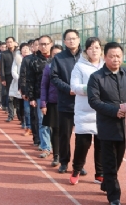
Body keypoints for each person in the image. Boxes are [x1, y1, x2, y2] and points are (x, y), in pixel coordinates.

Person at [87, 42, 126, 205]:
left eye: (118, 56)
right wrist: (113, 111)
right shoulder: (96, 77)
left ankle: (106, 184)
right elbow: (94, 101)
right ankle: (114, 196)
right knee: (109, 162)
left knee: (117, 161)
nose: (115, 59)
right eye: (111, 56)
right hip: (107, 126)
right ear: (105, 57)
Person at [69, 37, 104, 185]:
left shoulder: (105, 65)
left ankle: (100, 173)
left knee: (102, 145)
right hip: (84, 111)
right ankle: (76, 169)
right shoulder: (79, 66)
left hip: (102, 111)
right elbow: (74, 87)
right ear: (86, 50)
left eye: (97, 47)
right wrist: (91, 89)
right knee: (82, 144)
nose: (94, 50)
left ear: (101, 49)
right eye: (91, 48)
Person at [50, 29, 83, 173]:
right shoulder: (59, 58)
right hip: (66, 102)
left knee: (82, 137)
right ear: (64, 42)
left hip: (84, 103)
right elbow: (54, 77)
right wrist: (68, 88)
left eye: (74, 38)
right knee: (65, 135)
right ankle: (64, 162)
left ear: (79, 39)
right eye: (68, 39)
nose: (71, 41)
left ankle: (79, 165)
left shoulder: (86, 56)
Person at [27, 35, 53, 158]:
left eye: (46, 44)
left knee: (55, 123)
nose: (43, 46)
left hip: (55, 96)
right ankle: (45, 147)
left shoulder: (56, 59)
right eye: (41, 44)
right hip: (39, 95)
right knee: (43, 122)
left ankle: (55, 146)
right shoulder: (34, 61)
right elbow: (30, 80)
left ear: (51, 44)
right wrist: (31, 97)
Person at [40, 44, 63, 167]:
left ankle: (66, 157)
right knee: (55, 130)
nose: (57, 57)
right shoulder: (48, 68)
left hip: (67, 103)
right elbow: (44, 86)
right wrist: (43, 103)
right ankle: (56, 156)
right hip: (53, 103)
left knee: (66, 132)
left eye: (59, 54)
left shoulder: (70, 67)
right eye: (55, 54)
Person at [20, 38, 39, 145]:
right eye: (35, 45)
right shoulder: (27, 59)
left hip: (42, 92)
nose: (37, 47)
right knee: (33, 115)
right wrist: (24, 91)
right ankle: (36, 138)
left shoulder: (48, 59)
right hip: (30, 91)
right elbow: (23, 76)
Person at [9, 43, 28, 129]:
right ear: (20, 50)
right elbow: (13, 71)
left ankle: (26, 122)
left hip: (29, 84)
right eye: (23, 48)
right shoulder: (17, 58)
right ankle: (21, 118)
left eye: (27, 48)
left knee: (26, 105)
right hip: (19, 83)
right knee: (19, 104)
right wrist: (20, 79)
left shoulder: (32, 58)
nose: (25, 50)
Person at [0, 37, 16, 122]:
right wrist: (3, 79)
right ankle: (11, 115)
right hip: (8, 77)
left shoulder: (18, 52)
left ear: (14, 42)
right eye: (8, 42)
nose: (9, 43)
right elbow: (1, 67)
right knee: (10, 97)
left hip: (18, 77)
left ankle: (21, 115)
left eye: (11, 42)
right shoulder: (4, 54)